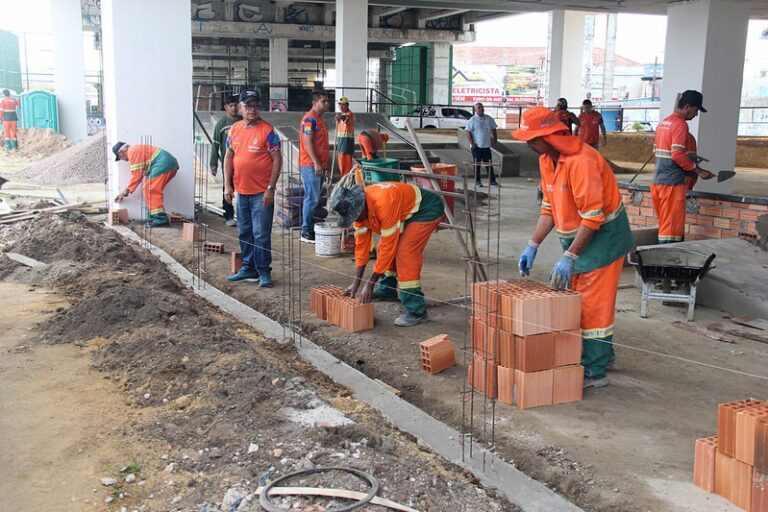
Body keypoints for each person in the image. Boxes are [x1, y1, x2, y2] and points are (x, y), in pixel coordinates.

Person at [513, 106, 633, 389]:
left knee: (594, 309)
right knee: (581, 302)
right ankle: (602, 355)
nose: (528, 144)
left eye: (533, 138)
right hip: (580, 243)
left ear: (550, 136)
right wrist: (533, 244)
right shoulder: (546, 160)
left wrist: (569, 256)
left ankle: (595, 372)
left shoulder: (582, 162)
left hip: (604, 242)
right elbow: (549, 206)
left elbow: (593, 216)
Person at [331, 181, 444, 327]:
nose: (355, 220)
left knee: (405, 252)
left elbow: (388, 246)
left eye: (355, 216)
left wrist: (370, 284)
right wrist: (356, 282)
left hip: (427, 209)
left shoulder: (384, 202)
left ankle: (417, 310)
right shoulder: (359, 216)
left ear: (360, 207)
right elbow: (362, 248)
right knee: (388, 248)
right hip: (407, 212)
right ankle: (387, 290)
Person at [224, 89, 282, 287]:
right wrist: (227, 185)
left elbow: (277, 160)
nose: (253, 109)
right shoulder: (234, 130)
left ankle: (264, 271)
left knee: (261, 233)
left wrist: (270, 188)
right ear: (240, 108)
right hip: (242, 191)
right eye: (248, 106)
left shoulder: (268, 131)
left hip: (261, 193)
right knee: (244, 232)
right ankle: (249, 268)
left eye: (256, 105)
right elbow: (228, 157)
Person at [652, 90, 714, 243]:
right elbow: (677, 155)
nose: (696, 114)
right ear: (687, 106)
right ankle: (668, 263)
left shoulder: (663, 123)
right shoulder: (680, 125)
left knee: (665, 225)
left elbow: (656, 151)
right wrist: (699, 171)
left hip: (659, 182)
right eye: (696, 110)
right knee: (671, 230)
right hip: (673, 185)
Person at [113, 141, 179, 226]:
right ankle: (153, 218)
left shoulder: (133, 152)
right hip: (166, 163)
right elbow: (141, 173)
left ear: (121, 152)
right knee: (149, 190)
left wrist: (126, 191)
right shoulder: (135, 150)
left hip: (163, 163)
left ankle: (160, 220)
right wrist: (127, 191)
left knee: (150, 189)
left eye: (120, 157)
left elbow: (137, 175)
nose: (124, 160)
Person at [299, 90, 331, 244]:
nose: (327, 104)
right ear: (315, 102)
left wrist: (324, 164)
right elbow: (307, 143)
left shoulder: (319, 120)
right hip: (310, 165)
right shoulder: (310, 120)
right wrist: (317, 163)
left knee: (315, 198)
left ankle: (310, 226)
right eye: (323, 101)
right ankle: (306, 230)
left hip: (318, 165)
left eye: (327, 101)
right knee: (311, 198)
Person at [210, 94, 242, 227]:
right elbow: (215, 144)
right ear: (225, 107)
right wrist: (213, 163)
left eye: (236, 105)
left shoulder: (243, 121)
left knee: (242, 189)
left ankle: (242, 216)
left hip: (242, 163)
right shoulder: (221, 124)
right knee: (228, 187)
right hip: (228, 163)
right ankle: (228, 214)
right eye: (231, 106)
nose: (234, 108)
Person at [465, 102, 500, 187]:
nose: (481, 109)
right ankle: (477, 181)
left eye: (482, 107)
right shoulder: (472, 120)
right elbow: (468, 132)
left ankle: (492, 181)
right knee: (477, 165)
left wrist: (495, 140)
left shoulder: (489, 118)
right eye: (479, 108)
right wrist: (472, 144)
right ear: (475, 110)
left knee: (489, 164)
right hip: (476, 146)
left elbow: (494, 129)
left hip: (486, 146)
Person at [335, 96, 355, 176]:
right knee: (342, 164)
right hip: (341, 143)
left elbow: (346, 118)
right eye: (339, 104)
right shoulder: (342, 115)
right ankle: (344, 180)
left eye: (343, 105)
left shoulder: (350, 115)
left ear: (347, 105)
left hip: (346, 143)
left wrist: (340, 117)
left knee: (345, 165)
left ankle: (346, 181)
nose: (341, 106)